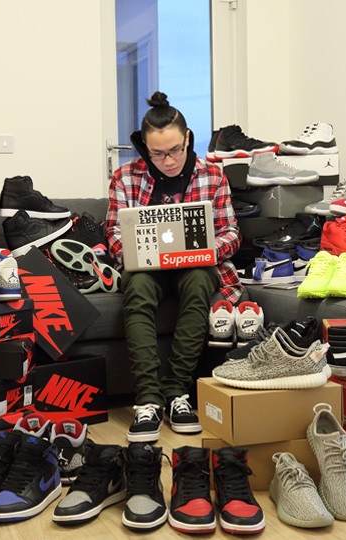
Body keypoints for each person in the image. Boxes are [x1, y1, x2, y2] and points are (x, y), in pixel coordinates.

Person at [105, 91, 242, 442]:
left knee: (199, 281)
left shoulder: (213, 176)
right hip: (147, 269)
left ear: (188, 139)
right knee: (136, 286)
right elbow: (115, 234)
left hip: (194, 267)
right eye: (158, 153)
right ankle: (148, 399)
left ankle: (177, 392)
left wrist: (206, 252)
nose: (168, 161)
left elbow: (231, 233)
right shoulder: (125, 177)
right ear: (144, 148)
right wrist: (135, 254)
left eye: (175, 150)